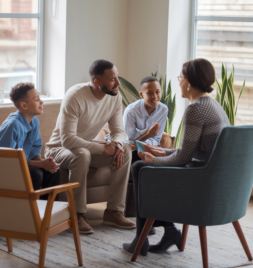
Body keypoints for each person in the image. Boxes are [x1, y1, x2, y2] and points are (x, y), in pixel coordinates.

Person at [123, 58, 230, 256]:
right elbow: (190, 152)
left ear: (188, 82)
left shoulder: (195, 109)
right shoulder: (213, 105)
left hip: (199, 179)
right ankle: (169, 231)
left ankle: (142, 237)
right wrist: (163, 152)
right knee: (147, 167)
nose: (178, 81)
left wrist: (153, 160)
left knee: (140, 167)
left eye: (180, 77)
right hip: (210, 175)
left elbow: (183, 159)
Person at [45, 59, 136, 235]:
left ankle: (113, 211)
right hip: (58, 150)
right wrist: (103, 149)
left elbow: (119, 131)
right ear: (97, 82)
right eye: (112, 79)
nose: (118, 83)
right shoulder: (75, 96)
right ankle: (77, 215)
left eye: (117, 77)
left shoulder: (114, 97)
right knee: (82, 154)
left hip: (84, 147)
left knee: (124, 150)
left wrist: (116, 144)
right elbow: (68, 140)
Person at [0, 83, 60, 199]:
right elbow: (10, 159)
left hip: (18, 166)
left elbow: (33, 151)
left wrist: (45, 163)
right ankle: (32, 211)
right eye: (37, 99)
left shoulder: (35, 122)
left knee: (54, 171)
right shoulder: (13, 125)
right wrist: (41, 164)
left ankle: (48, 211)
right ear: (24, 105)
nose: (41, 102)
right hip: (2, 169)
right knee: (35, 174)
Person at [123, 76, 168, 235]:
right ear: (141, 95)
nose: (155, 96)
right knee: (142, 167)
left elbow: (157, 138)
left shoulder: (163, 109)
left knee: (164, 168)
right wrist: (147, 134)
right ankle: (146, 221)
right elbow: (129, 141)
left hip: (149, 147)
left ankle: (157, 219)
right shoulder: (131, 111)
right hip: (130, 149)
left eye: (157, 91)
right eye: (150, 93)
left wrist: (150, 145)